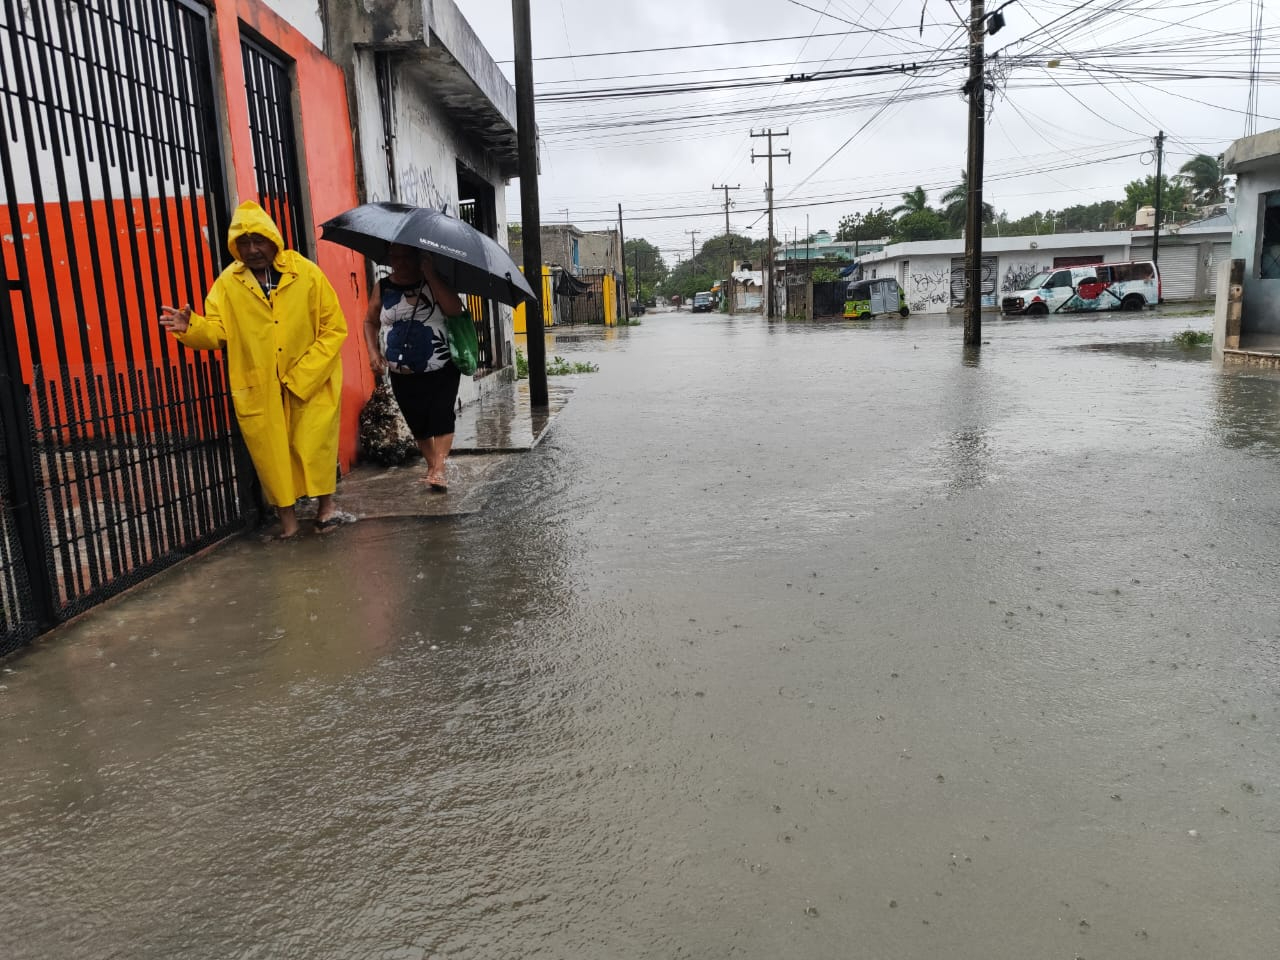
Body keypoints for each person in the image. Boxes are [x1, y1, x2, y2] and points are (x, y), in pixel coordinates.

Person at [161, 201, 348, 539]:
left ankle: (326, 508)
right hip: (259, 384)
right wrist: (191, 327)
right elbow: (218, 333)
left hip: (310, 380)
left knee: (315, 444)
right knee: (271, 456)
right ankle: (288, 522)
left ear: (273, 238)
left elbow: (334, 329)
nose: (252, 250)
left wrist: (303, 375)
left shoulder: (305, 273)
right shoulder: (228, 284)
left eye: (258, 240)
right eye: (243, 243)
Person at [363, 243, 465, 491]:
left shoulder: (434, 281)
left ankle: (439, 469)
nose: (399, 262)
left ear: (418, 258)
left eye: (405, 257)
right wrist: (373, 351)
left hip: (441, 365)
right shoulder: (383, 287)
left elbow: (455, 310)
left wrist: (430, 275)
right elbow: (370, 321)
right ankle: (432, 466)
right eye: (394, 257)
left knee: (441, 415)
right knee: (416, 421)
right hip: (401, 372)